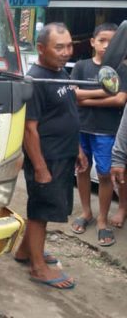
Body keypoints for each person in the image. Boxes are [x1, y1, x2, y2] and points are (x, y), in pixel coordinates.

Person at [13, 23, 88, 290]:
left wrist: (77, 148)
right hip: (48, 158)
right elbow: (29, 129)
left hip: (63, 154)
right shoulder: (36, 79)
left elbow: (67, 114)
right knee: (40, 212)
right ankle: (37, 267)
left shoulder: (60, 74)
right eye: (59, 47)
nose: (66, 52)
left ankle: (25, 252)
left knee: (44, 210)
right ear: (41, 48)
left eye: (69, 46)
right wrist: (41, 167)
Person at [71, 23, 127, 243]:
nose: (106, 46)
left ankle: (102, 219)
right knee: (82, 170)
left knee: (105, 175)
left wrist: (85, 97)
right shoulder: (81, 66)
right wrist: (105, 93)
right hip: (82, 128)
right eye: (102, 40)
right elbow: (72, 96)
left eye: (112, 42)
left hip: (106, 131)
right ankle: (86, 212)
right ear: (92, 42)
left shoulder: (122, 69)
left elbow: (120, 99)